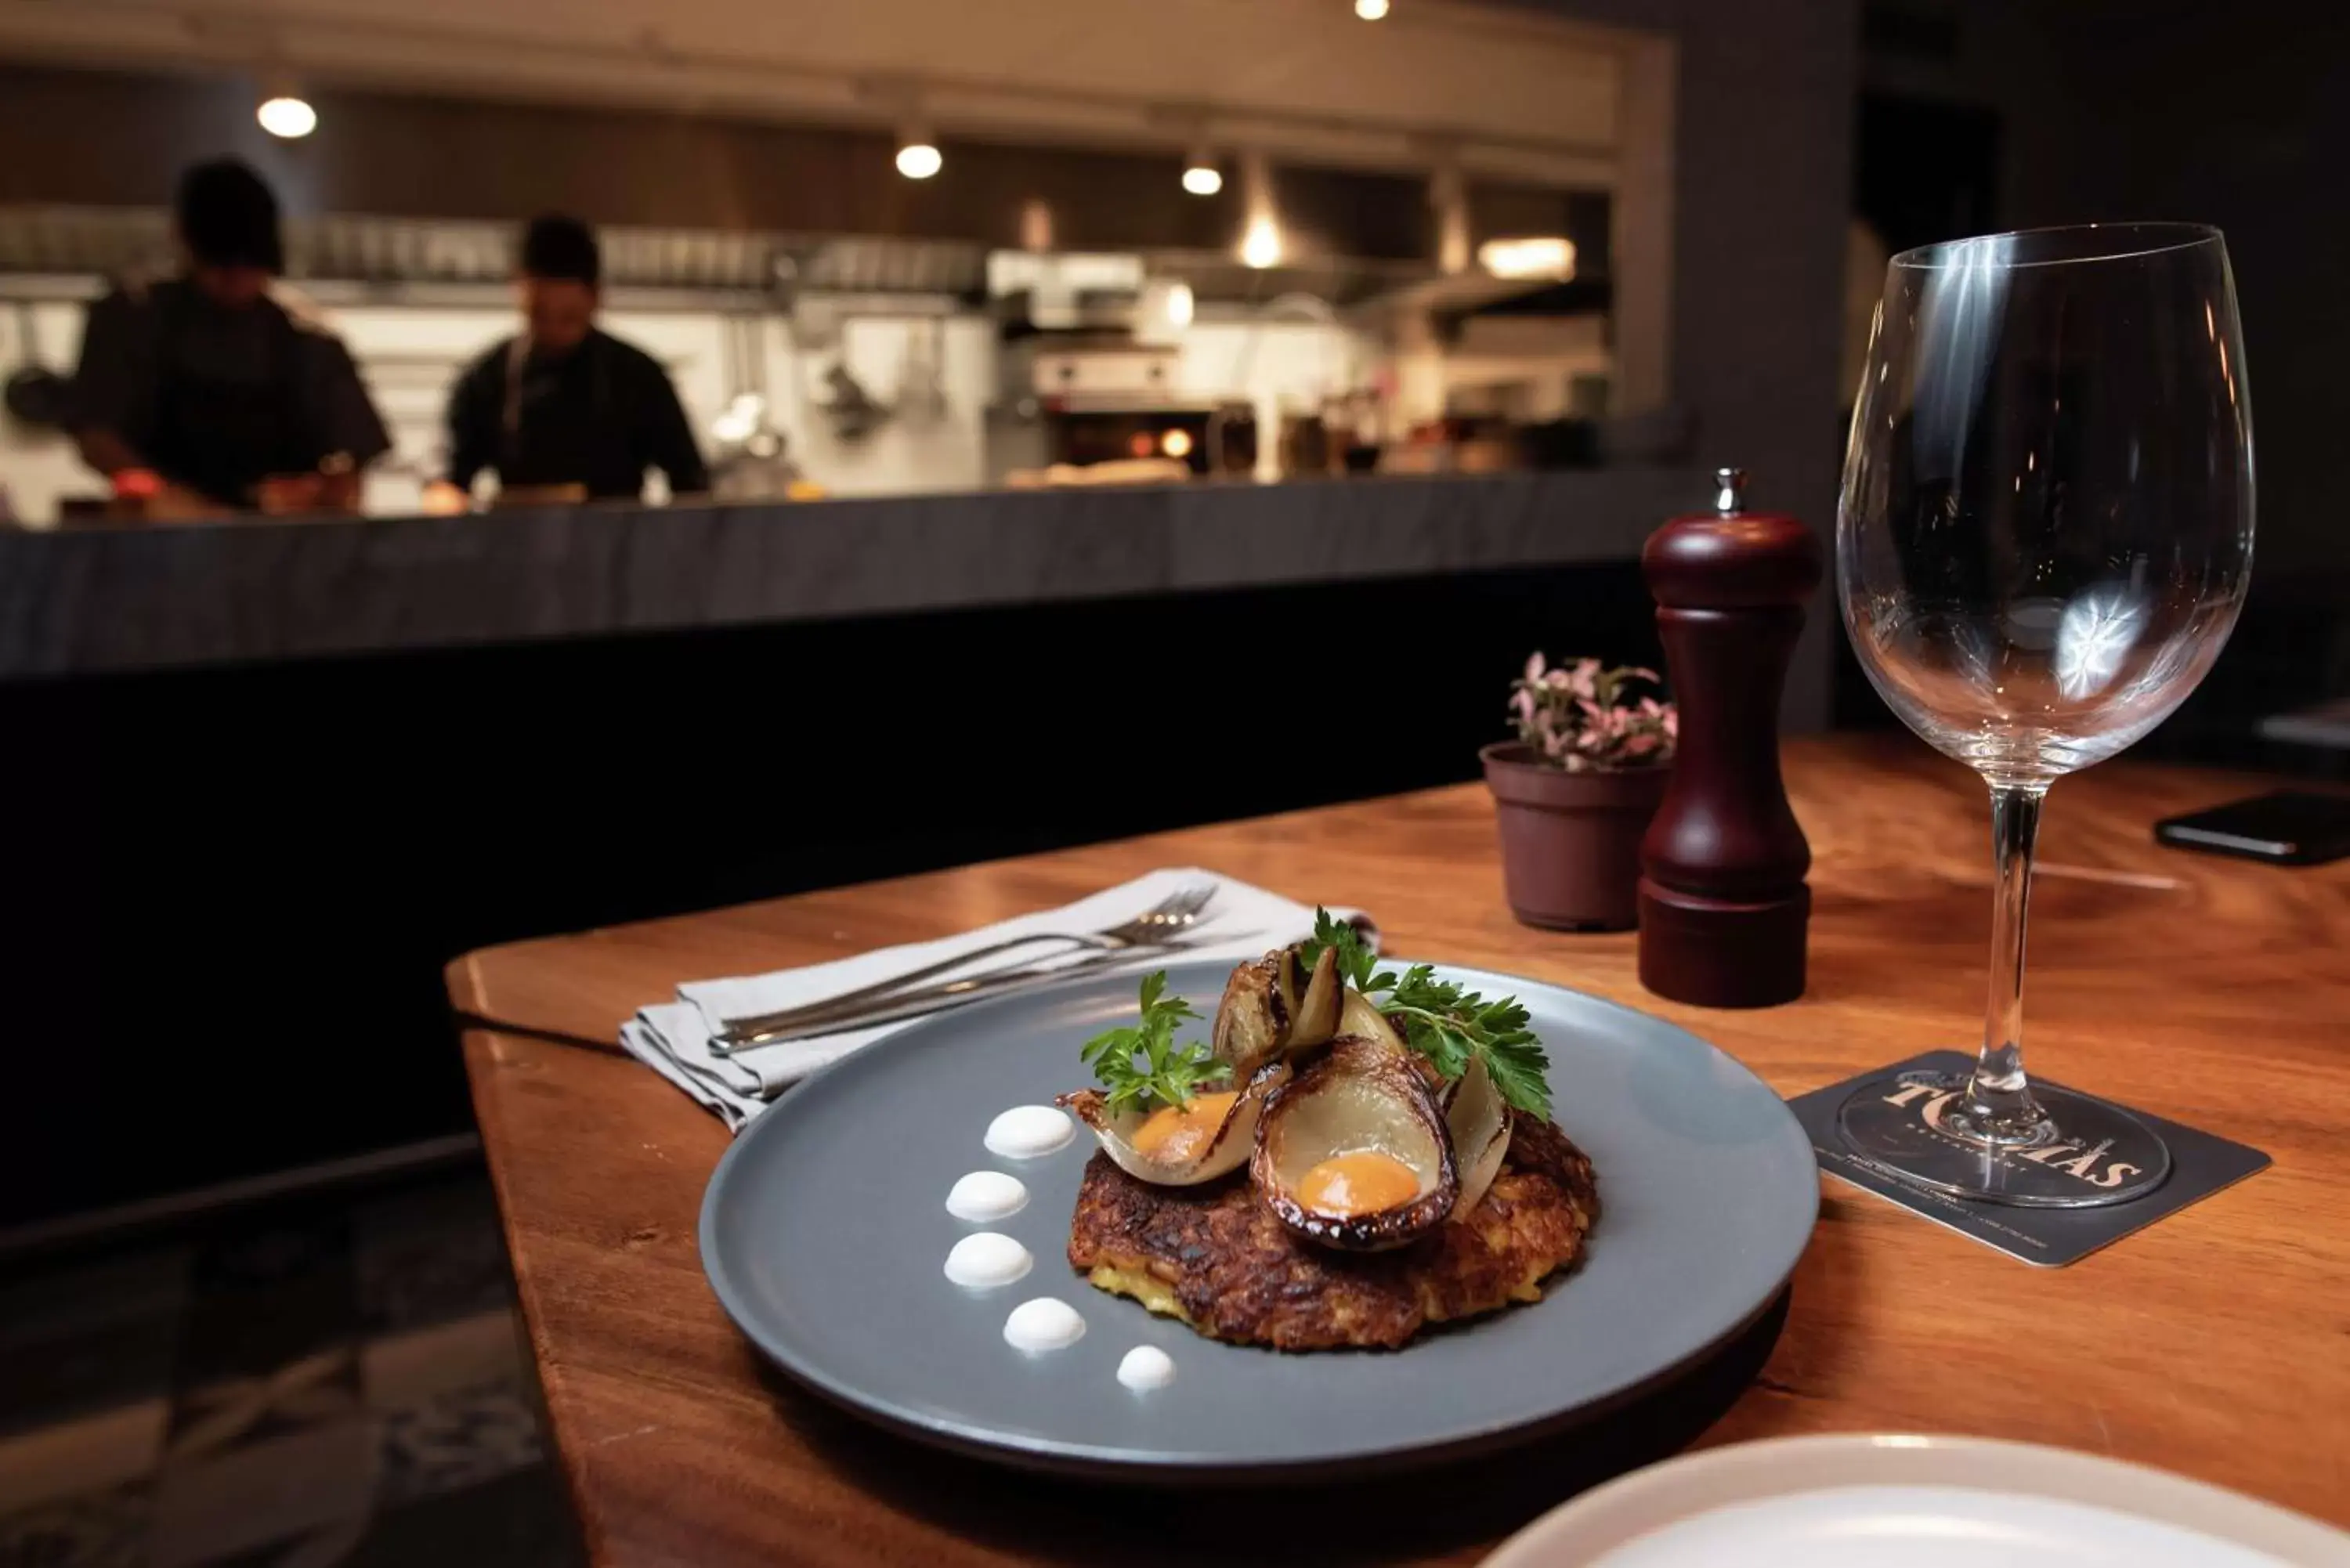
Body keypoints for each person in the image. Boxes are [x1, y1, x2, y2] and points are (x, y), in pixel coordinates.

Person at [68, 158, 390, 517]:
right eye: (222, 267)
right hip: (162, 544)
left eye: (250, 267)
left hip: (284, 544)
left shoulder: (306, 338)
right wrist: (160, 496)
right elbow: (97, 436)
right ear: (186, 245)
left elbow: (351, 454)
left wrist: (325, 490)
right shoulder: (134, 319)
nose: (237, 280)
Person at [430, 215, 708, 509]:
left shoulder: (638, 375)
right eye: (538, 316)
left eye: (568, 318)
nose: (553, 330)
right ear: (519, 294)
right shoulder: (484, 379)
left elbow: (690, 484)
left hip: (616, 547)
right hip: (520, 545)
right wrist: (448, 506)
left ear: (596, 299)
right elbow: (446, 482)